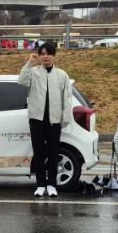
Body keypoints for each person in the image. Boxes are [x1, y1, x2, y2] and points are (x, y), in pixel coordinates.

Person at [18, 42, 72, 197]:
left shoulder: (62, 75)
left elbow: (67, 99)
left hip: (54, 121)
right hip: (36, 119)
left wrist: (64, 120)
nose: (45, 56)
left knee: (53, 153)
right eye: (42, 54)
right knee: (39, 153)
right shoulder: (33, 72)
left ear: (53, 55)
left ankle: (52, 185)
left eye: (48, 53)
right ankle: (41, 184)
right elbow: (21, 81)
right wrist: (29, 62)